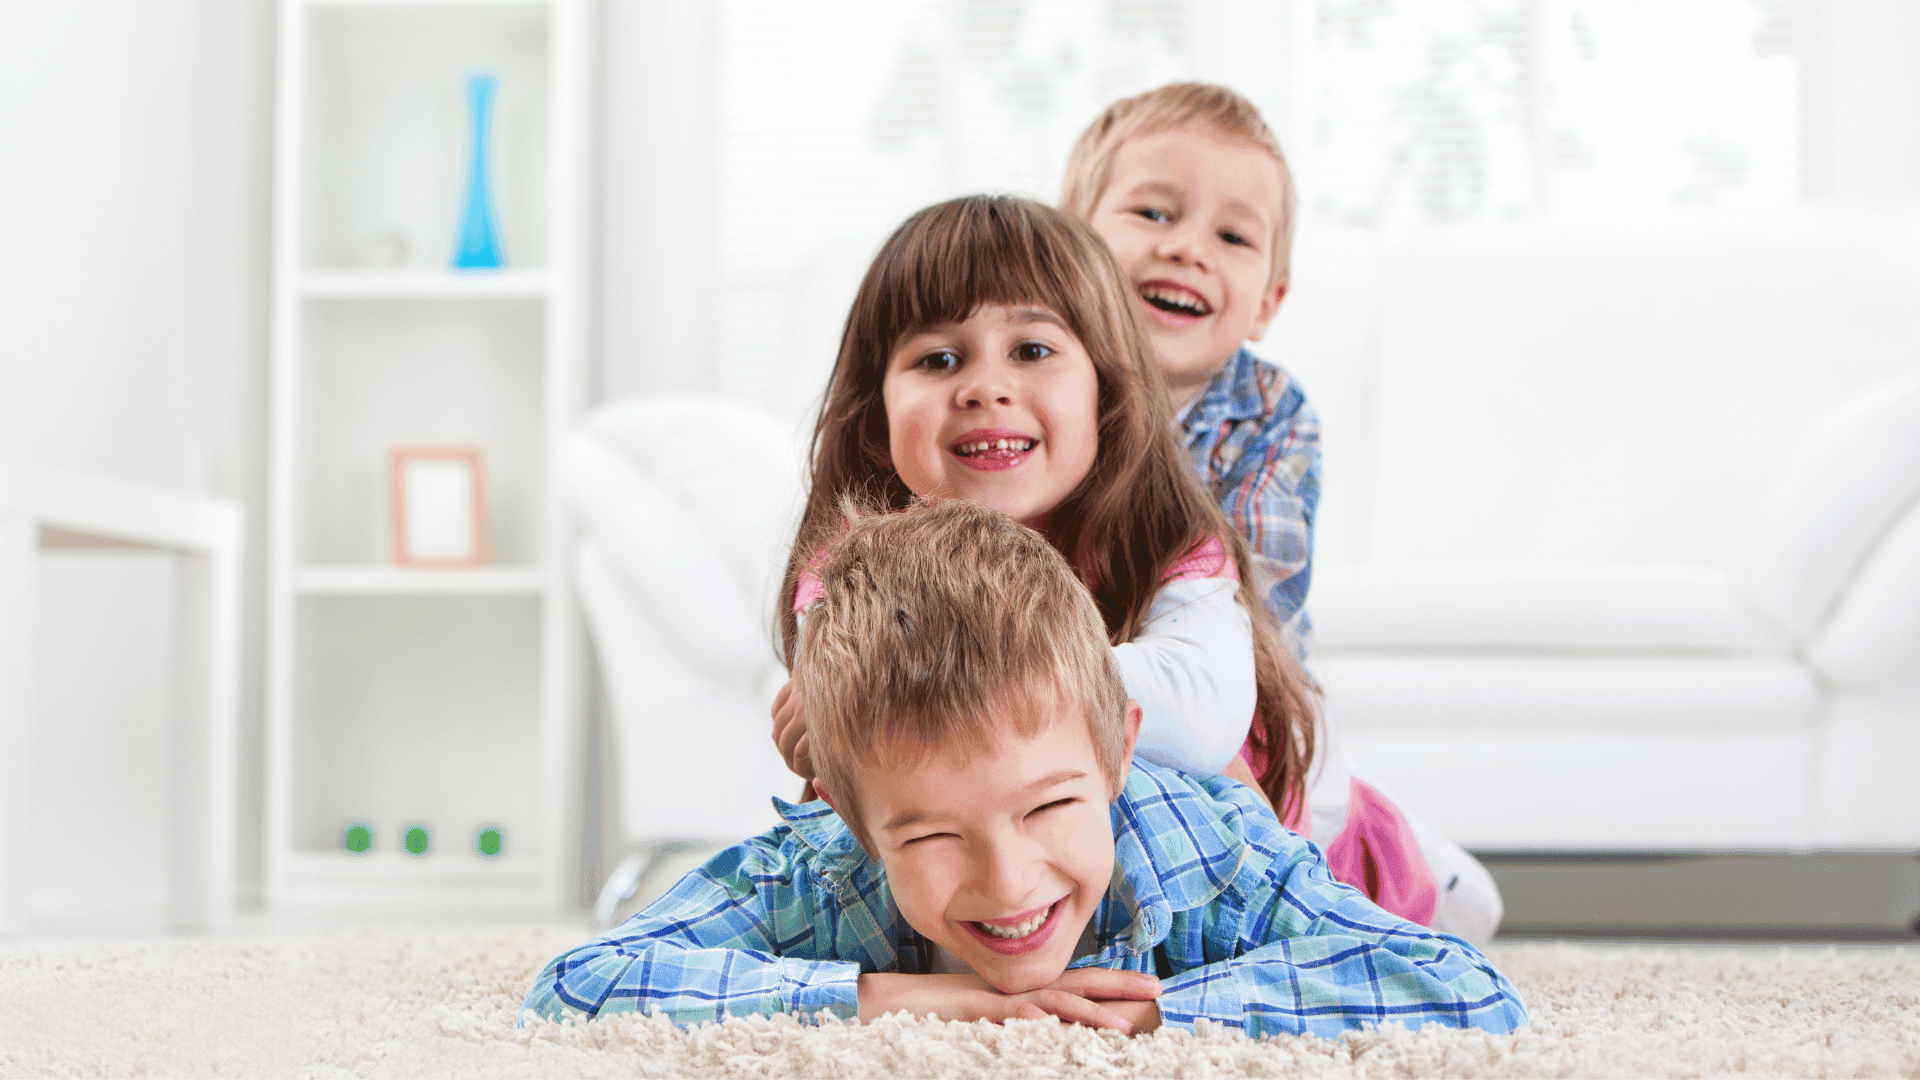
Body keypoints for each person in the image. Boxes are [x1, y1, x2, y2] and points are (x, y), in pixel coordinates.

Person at [522, 499, 1528, 1039]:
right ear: (849, 815)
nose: (1008, 882)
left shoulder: (1215, 850)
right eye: (927, 834)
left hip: (1344, 851)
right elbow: (581, 983)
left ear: (1120, 748)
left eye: (1049, 806)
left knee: (1428, 901)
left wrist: (1170, 1009)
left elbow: (1465, 990)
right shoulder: (821, 873)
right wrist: (897, 999)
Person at [1062, 84, 1503, 943]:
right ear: (1069, 244)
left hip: (1236, 687)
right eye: (1154, 212)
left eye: (1232, 236)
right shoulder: (1028, 383)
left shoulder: (1268, 413)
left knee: (1270, 829)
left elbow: (1252, 616)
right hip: (1080, 692)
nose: (1188, 248)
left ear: (1268, 299)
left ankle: (1399, 861)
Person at [768, 193, 1317, 829]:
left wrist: (927, 667)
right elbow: (833, 741)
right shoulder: (849, 569)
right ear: (875, 418)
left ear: (1104, 393)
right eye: (938, 360)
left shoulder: (1164, 538)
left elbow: (1202, 716)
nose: (984, 388)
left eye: (1031, 350)